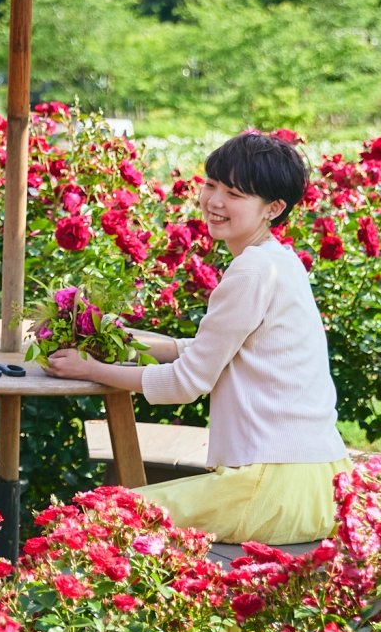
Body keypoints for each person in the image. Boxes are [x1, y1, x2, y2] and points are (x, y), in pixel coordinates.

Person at [46, 132, 350, 544]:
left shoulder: (251, 270)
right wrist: (121, 338)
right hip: (320, 483)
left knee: (98, 523)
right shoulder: (280, 262)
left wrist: (92, 369)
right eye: (211, 184)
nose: (215, 201)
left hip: (270, 489)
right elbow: (226, 352)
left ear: (273, 208)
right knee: (115, 521)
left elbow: (187, 382)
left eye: (235, 193)